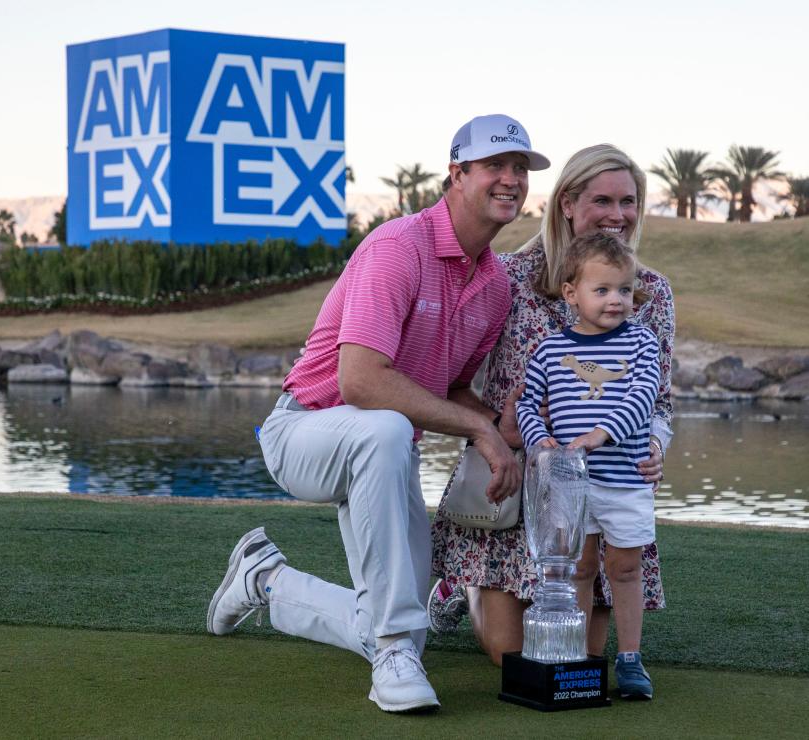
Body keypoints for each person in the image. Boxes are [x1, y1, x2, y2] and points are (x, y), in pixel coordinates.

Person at [206, 114, 550, 713]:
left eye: (520, 169)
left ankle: (268, 582)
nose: (511, 179)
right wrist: (475, 428)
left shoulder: (494, 284)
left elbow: (452, 385)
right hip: (303, 431)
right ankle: (390, 651)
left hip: (384, 451)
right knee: (387, 430)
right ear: (457, 173)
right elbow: (360, 382)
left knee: (407, 620)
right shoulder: (398, 247)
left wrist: (497, 427)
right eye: (495, 165)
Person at [429, 143, 673, 686]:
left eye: (629, 201)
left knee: (581, 655)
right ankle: (459, 582)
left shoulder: (649, 292)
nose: (617, 214)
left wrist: (656, 445)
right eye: (601, 199)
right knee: (511, 655)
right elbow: (450, 378)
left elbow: (659, 400)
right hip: (516, 487)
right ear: (566, 202)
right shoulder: (507, 278)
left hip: (601, 481)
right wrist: (496, 427)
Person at [517, 231, 660, 698]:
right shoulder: (549, 350)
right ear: (571, 293)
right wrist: (541, 444)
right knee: (577, 568)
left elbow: (643, 398)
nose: (616, 300)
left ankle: (630, 659)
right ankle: (573, 658)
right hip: (570, 486)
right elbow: (526, 405)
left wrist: (601, 435)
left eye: (623, 289)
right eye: (602, 290)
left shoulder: (641, 344)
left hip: (624, 481)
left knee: (623, 568)